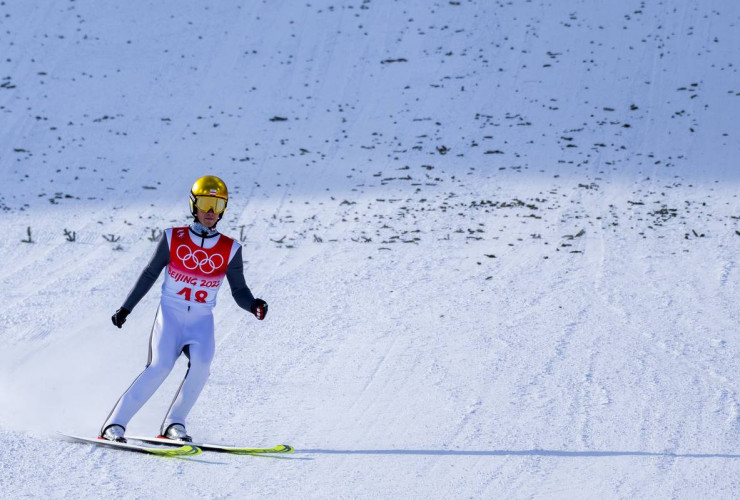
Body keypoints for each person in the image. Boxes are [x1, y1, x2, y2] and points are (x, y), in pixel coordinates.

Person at [99, 175, 267, 443]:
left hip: (201, 319)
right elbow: (150, 273)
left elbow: (239, 291)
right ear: (193, 204)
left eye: (218, 205)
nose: (211, 212)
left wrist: (253, 304)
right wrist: (126, 308)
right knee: (160, 366)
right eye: (205, 203)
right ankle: (114, 425)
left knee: (201, 366)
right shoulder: (173, 238)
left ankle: (174, 424)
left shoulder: (230, 248)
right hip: (171, 315)